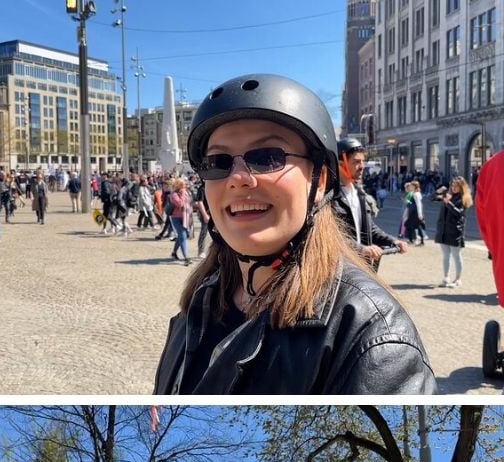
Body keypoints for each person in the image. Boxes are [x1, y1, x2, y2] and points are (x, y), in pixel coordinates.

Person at [153, 73, 437, 394]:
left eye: (267, 157)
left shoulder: (371, 334)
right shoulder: (200, 300)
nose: (239, 178)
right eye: (218, 161)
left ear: (318, 181)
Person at [331, 136, 408, 271]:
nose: (362, 167)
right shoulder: (329, 196)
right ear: (341, 164)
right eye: (356, 162)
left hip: (361, 267)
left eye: (363, 161)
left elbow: (369, 228)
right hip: (340, 270)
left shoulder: (359, 193)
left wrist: (392, 241)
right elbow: (331, 237)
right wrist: (362, 249)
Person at [435, 176, 473, 288]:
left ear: (461, 187)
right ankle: (446, 277)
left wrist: (448, 203)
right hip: (444, 229)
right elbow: (432, 198)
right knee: (445, 255)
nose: (454, 188)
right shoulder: (448, 195)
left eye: (456, 186)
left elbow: (458, 213)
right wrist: (438, 192)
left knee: (456, 255)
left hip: (455, 230)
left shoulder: (464, 198)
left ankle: (458, 279)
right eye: (452, 185)